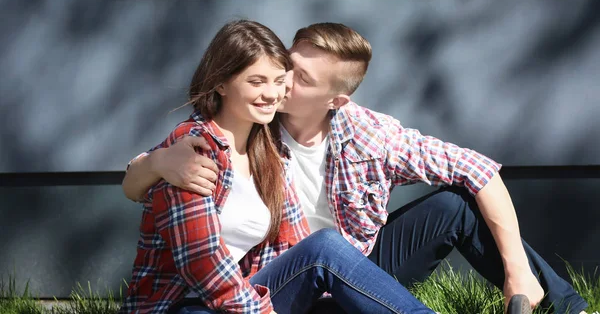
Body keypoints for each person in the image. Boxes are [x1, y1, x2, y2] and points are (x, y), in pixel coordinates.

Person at [123, 22, 588, 314]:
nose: (278, 88)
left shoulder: (366, 133)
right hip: (263, 287)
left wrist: (517, 272)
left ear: (336, 100)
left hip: (355, 269)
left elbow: (477, 170)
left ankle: (570, 308)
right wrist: (155, 162)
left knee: (455, 205)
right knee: (322, 248)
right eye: (280, 68)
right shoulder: (249, 129)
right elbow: (185, 226)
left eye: (294, 79)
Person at [119, 20, 436, 314]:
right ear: (221, 84)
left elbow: (294, 242)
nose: (272, 94)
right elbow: (207, 271)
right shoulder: (192, 149)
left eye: (278, 80)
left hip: (243, 296)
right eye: (256, 81)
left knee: (328, 260)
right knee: (324, 248)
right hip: (185, 306)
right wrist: (156, 160)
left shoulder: (267, 148)